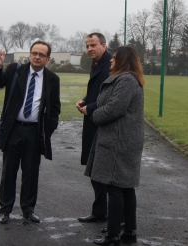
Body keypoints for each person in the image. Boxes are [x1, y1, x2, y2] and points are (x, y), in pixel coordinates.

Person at [0, 40, 61, 224]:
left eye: (41, 55)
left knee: (31, 173)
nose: (37, 57)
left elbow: (55, 109)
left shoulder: (52, 79)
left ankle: (28, 210)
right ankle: (5, 210)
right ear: (30, 54)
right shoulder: (14, 70)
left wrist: (48, 129)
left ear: (48, 58)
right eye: (34, 53)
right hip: (13, 130)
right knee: (8, 172)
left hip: (35, 133)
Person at [85, 46, 145, 245]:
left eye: (115, 58)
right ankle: (129, 232)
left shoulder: (126, 80)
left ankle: (112, 236)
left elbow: (114, 108)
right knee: (126, 188)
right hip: (122, 139)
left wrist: (94, 115)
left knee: (115, 188)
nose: (111, 61)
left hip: (119, 141)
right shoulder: (127, 79)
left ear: (123, 61)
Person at [76, 33, 112, 223]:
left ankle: (114, 215)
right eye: (87, 46)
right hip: (94, 122)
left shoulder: (111, 65)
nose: (89, 49)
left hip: (104, 125)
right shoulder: (99, 64)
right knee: (95, 169)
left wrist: (89, 107)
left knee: (104, 171)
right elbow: (97, 91)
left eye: (93, 45)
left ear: (103, 45)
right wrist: (85, 99)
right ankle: (100, 211)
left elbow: (111, 98)